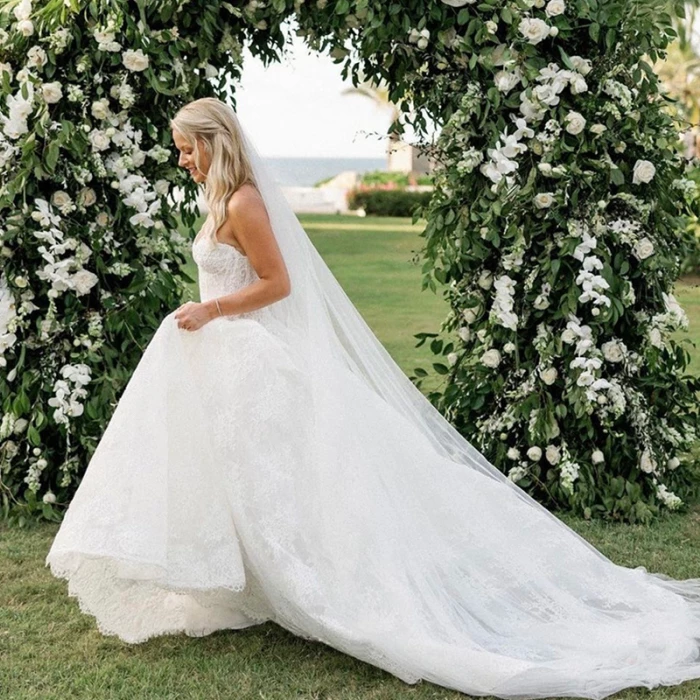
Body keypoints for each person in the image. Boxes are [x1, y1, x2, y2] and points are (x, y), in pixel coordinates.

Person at [45, 97, 700, 700]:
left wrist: (209, 309)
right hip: (226, 358)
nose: (182, 160)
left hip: (249, 355)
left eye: (189, 148)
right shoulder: (217, 202)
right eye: (180, 150)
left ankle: (315, 581)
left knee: (284, 479)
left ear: (217, 143)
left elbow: (277, 284)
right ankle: (248, 581)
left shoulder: (244, 202)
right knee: (237, 477)